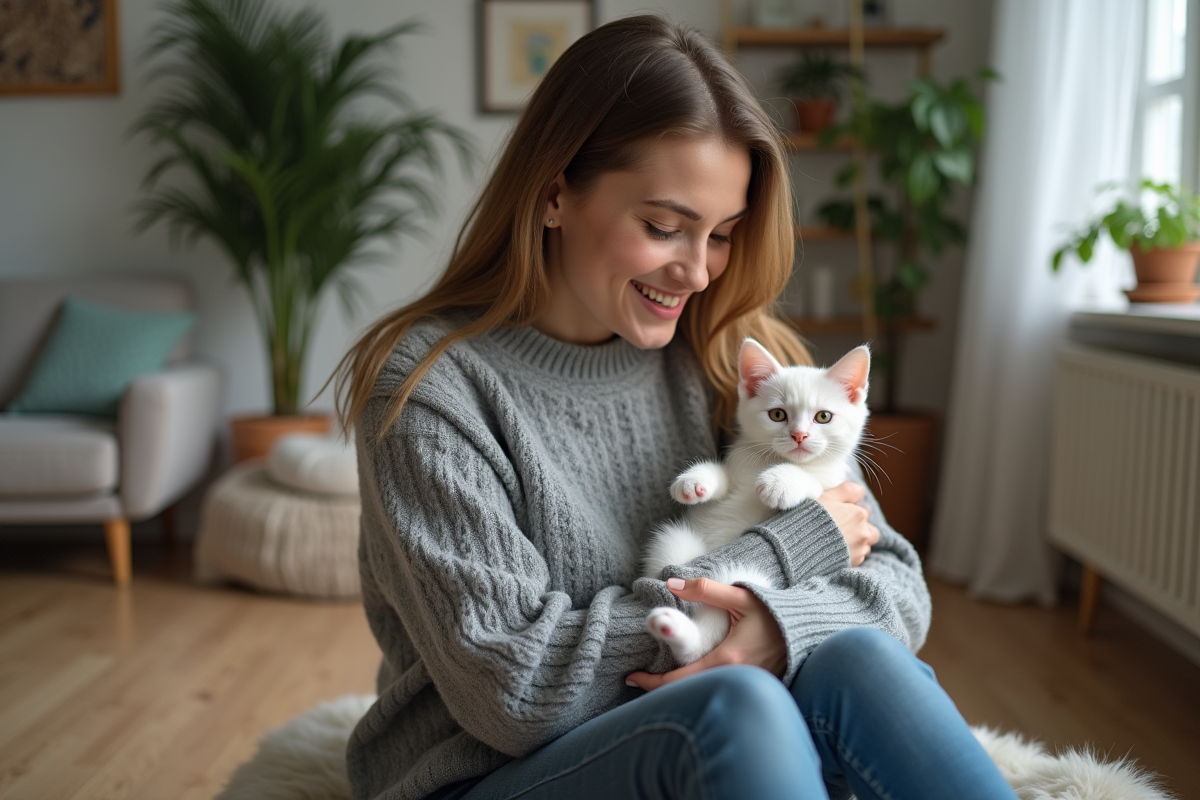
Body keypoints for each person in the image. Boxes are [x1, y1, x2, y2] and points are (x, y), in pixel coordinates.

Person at [335, 14, 1016, 800]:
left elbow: (894, 579)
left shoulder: (730, 356)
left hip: (688, 744)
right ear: (555, 194)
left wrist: (777, 631)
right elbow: (513, 690)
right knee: (735, 706)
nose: (697, 272)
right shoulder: (431, 389)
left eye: (722, 235)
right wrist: (773, 564)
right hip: (483, 776)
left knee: (858, 656)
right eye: (665, 227)